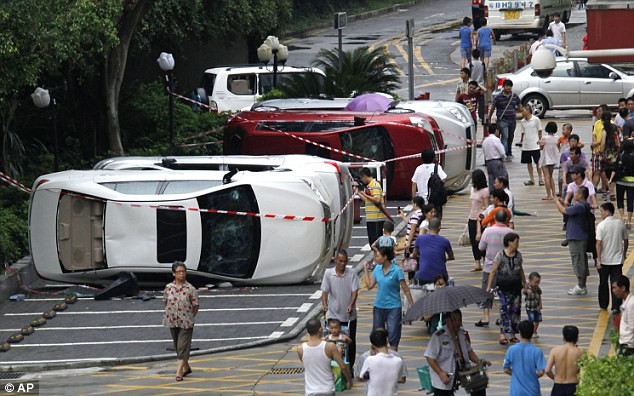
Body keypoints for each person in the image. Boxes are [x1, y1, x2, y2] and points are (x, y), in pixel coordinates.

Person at [425, 309, 490, 396]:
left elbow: (469, 351)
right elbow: (429, 357)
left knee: (479, 385)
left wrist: (479, 361)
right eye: (454, 320)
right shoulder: (439, 336)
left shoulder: (461, 333)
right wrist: (440, 373)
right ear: (448, 321)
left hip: (462, 369)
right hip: (446, 374)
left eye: (459, 320)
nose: (457, 323)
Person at [364, 246, 414, 351]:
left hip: (394, 307)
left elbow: (405, 289)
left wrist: (412, 306)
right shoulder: (377, 269)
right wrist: (365, 270)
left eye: (377, 256)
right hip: (379, 306)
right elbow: (369, 286)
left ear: (385, 257)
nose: (375, 258)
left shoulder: (396, 270)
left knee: (393, 337)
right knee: (377, 336)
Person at [321, 249, 360, 369]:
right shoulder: (328, 274)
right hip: (333, 314)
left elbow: (355, 291)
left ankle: (350, 365)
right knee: (331, 341)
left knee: (349, 342)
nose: (342, 264)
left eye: (344, 261)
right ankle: (332, 365)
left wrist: (351, 304)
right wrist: (324, 304)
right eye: (340, 261)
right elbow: (324, 291)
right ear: (335, 260)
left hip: (348, 316)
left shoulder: (352, 273)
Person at [486, 232, 527, 345]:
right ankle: (502, 334)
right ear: (509, 242)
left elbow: (521, 270)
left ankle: (513, 334)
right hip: (503, 288)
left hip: (516, 287)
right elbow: (493, 271)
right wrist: (489, 287)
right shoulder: (500, 255)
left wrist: (525, 283)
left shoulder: (518, 255)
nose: (517, 244)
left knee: (515, 311)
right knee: (504, 310)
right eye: (516, 242)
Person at [163, 261, 200, 382]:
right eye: (179, 272)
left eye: (183, 272)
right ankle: (186, 367)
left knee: (182, 346)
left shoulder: (190, 289)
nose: (182, 274)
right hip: (172, 320)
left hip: (186, 321)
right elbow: (165, 302)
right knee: (177, 346)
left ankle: (179, 372)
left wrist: (190, 316)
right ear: (173, 273)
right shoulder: (169, 287)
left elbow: (195, 305)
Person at [476, 209, 513, 327]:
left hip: (489, 267)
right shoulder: (510, 232)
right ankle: (502, 317)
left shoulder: (488, 231)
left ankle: (486, 318)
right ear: (506, 219)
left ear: (494, 218)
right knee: (504, 294)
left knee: (486, 292)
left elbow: (481, 247)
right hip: (506, 268)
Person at [297, 317, 353, 395]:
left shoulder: (300, 349)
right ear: (320, 329)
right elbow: (343, 366)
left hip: (311, 392)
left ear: (307, 331)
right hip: (327, 390)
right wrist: (349, 381)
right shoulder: (330, 346)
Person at [554, 186, 592, 295]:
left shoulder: (580, 206)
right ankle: (582, 285)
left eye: (577, 193)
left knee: (578, 261)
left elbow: (564, 211)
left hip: (577, 238)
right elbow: (569, 208)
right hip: (578, 237)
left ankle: (581, 286)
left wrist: (556, 202)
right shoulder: (582, 206)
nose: (575, 195)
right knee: (580, 261)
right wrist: (562, 202)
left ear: (580, 195)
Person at [596, 202, 628, 314]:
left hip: (605, 260)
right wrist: (623, 254)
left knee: (603, 283)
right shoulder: (620, 223)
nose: (601, 213)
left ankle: (603, 305)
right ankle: (615, 306)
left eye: (602, 211)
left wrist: (598, 259)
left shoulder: (601, 225)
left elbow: (599, 243)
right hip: (617, 260)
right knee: (616, 284)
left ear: (608, 212)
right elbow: (626, 240)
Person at [503, 320, 546, 396]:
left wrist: (517, 374)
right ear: (532, 332)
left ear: (519, 332)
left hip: (516, 391)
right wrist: (531, 376)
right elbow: (541, 372)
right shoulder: (537, 351)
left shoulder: (511, 349)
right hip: (533, 390)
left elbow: (506, 369)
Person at [359, 328, 404, 396]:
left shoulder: (370, 360)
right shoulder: (399, 361)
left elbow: (362, 377)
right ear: (387, 341)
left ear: (372, 346)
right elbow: (400, 379)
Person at [413, 218, 454, 285]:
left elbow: (414, 255)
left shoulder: (420, 239)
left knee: (416, 277)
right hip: (441, 276)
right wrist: (444, 259)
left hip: (423, 275)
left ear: (428, 227)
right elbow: (451, 256)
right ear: (439, 227)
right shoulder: (445, 241)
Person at [545, 325, 583, 396]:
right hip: (573, 386)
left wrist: (555, 378)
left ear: (564, 337)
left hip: (558, 385)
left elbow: (547, 370)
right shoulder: (580, 352)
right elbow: (584, 370)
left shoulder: (555, 351)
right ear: (577, 337)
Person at [488, 79, 521, 160]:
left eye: (510, 86)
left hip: (512, 120)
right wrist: (489, 117)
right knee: (504, 137)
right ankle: (503, 153)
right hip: (503, 120)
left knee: (511, 137)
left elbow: (519, 107)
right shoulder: (498, 97)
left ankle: (509, 152)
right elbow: (493, 108)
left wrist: (521, 112)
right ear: (503, 87)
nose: (508, 88)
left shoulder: (515, 96)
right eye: (507, 86)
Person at [411, 148, 447, 219]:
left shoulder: (418, 169)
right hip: (434, 199)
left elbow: (414, 184)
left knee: (423, 221)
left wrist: (414, 198)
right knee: (435, 221)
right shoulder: (437, 167)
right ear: (433, 158)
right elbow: (444, 179)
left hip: (422, 201)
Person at [398, 196, 425, 282]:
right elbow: (410, 224)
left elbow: (412, 230)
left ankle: (412, 283)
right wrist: (403, 216)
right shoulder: (422, 214)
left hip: (413, 245)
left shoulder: (415, 215)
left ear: (416, 204)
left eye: (413, 203)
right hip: (419, 244)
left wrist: (408, 243)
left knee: (411, 267)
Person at [358, 167, 387, 246]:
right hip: (371, 218)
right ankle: (376, 257)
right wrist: (359, 193)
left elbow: (377, 200)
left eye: (361, 178)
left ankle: (378, 257)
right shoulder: (370, 186)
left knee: (377, 242)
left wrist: (365, 195)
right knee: (372, 242)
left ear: (364, 176)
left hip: (377, 218)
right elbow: (367, 200)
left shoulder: (375, 185)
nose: (362, 180)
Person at [468, 169, 489, 271]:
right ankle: (477, 262)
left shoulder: (485, 191)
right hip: (471, 217)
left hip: (481, 219)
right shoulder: (472, 189)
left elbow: (487, 206)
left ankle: (485, 260)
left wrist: (481, 216)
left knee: (482, 241)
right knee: (473, 241)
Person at [518, 103, 543, 186]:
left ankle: (540, 178)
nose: (522, 113)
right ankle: (531, 179)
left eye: (523, 111)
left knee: (538, 162)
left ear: (528, 111)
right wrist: (521, 141)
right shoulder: (522, 121)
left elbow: (540, 131)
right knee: (528, 163)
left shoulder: (536, 119)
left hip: (535, 144)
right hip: (526, 145)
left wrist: (540, 141)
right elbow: (522, 132)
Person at [482, 123, 509, 189]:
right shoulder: (496, 140)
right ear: (496, 130)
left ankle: (492, 196)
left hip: (489, 162)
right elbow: (502, 152)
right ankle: (505, 195)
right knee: (503, 180)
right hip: (497, 162)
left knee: (492, 182)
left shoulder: (485, 140)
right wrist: (504, 158)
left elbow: (484, 151)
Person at [601, 110, 620, 202]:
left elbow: (603, 143)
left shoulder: (604, 129)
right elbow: (618, 140)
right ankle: (612, 192)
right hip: (615, 153)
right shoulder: (615, 128)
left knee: (607, 172)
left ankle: (610, 191)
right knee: (614, 171)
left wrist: (601, 153)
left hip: (607, 153)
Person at [612, 275, 634, 356]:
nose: (613, 291)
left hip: (629, 347)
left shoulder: (631, 304)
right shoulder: (626, 302)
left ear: (623, 288)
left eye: (615, 288)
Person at [539, 121, 559, 200]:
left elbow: (541, 147)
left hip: (545, 158)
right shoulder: (556, 138)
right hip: (553, 159)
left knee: (546, 177)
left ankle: (549, 195)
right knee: (551, 177)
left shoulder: (545, 138)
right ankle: (554, 193)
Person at [616, 139, 634, 229]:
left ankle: (622, 217)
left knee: (620, 199)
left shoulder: (620, 156)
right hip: (632, 182)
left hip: (620, 180)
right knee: (630, 201)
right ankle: (629, 220)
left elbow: (615, 167)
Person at [523, 272, 543, 338]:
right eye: (535, 282)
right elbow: (524, 291)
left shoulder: (538, 289)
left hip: (536, 307)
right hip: (530, 307)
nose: (537, 284)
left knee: (538, 319)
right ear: (530, 281)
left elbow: (539, 296)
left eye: (538, 282)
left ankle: (535, 331)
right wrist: (527, 290)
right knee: (531, 320)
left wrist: (540, 304)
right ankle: (530, 331)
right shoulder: (528, 287)